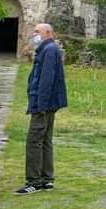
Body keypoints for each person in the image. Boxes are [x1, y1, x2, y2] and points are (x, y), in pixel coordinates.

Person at [16, 23, 67, 195]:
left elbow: (46, 79)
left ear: (48, 33)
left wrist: (41, 105)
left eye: (37, 31)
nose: (34, 34)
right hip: (47, 103)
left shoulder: (49, 49)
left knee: (34, 141)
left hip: (43, 104)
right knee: (45, 140)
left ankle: (34, 181)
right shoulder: (48, 49)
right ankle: (46, 179)